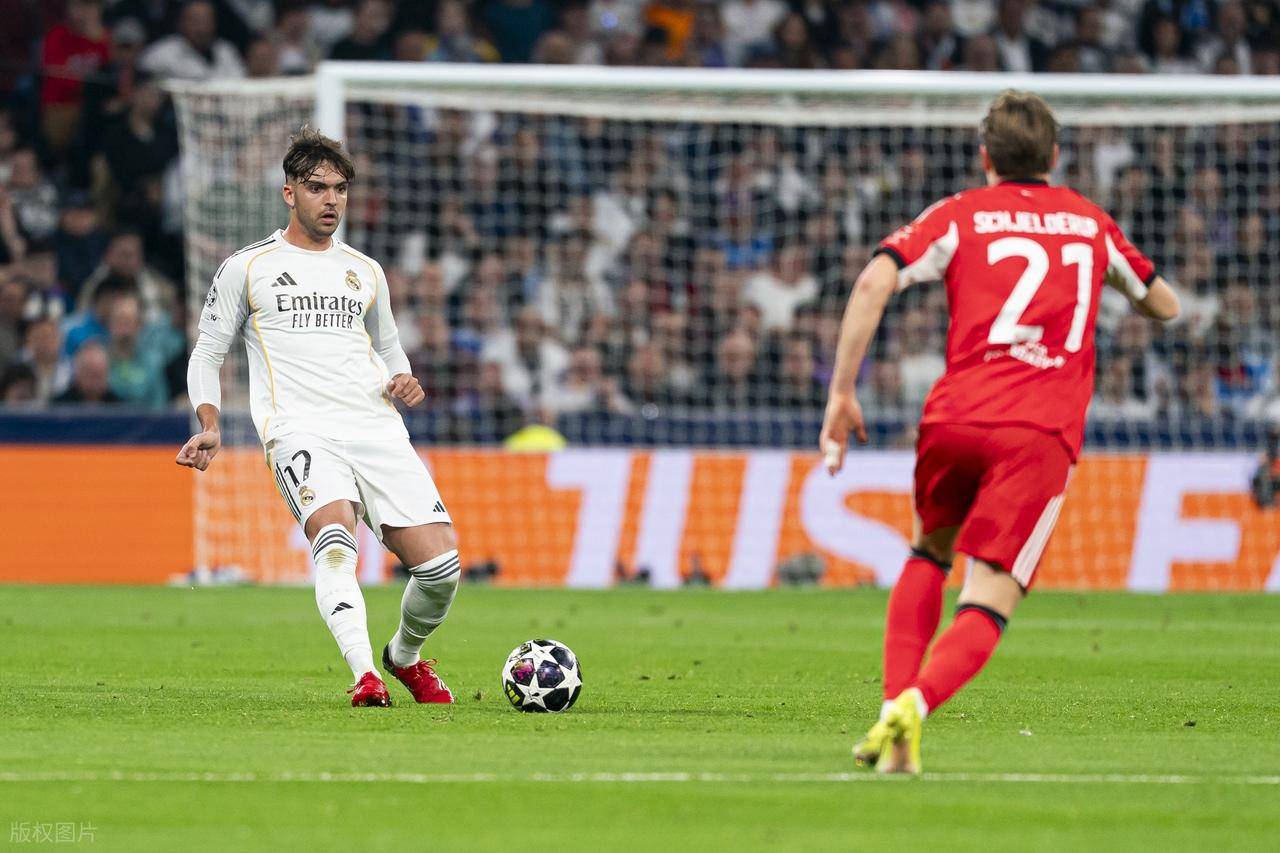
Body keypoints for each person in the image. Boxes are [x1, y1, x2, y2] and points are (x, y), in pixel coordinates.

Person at [819, 90, 1180, 773]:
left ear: (984, 156)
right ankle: (916, 703)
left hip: (955, 416)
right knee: (988, 596)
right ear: (1054, 156)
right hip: (1037, 432)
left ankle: (896, 732)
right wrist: (1113, 279)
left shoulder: (959, 213)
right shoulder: (1089, 222)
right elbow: (1165, 304)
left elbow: (872, 283)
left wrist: (841, 393)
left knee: (929, 552)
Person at [177, 128, 458, 708]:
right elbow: (207, 353)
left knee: (442, 570)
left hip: (376, 427)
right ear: (289, 193)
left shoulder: (365, 270)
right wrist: (209, 422)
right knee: (334, 543)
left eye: (340, 189)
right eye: (316, 188)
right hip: (299, 430)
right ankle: (365, 675)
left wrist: (402, 377)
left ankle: (403, 657)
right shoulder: (248, 267)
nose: (331, 200)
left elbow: (389, 347)